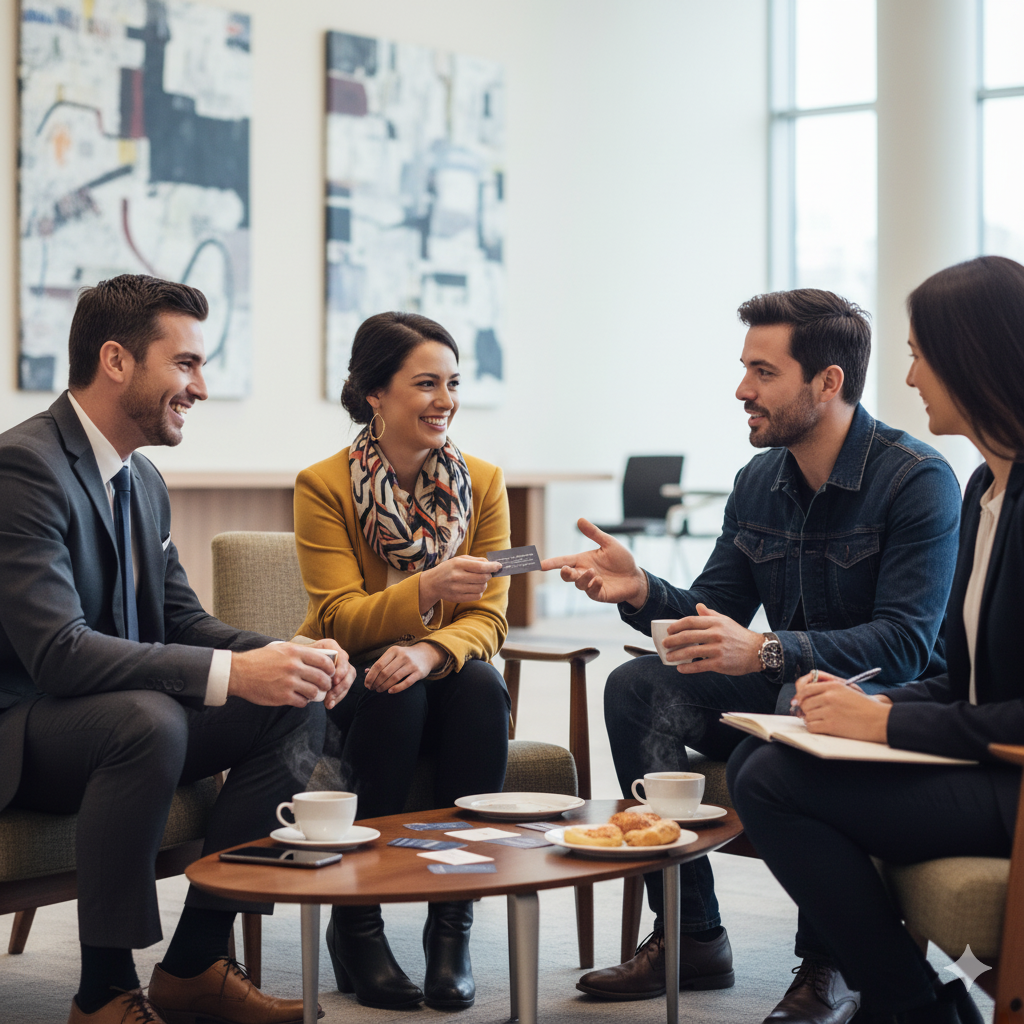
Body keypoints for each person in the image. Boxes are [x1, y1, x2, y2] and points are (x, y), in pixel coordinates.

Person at [541, 288, 962, 1022]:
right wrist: (640, 591)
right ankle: (692, 935)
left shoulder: (917, 480)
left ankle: (831, 959)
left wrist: (767, 652)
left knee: (792, 696)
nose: (742, 390)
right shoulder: (757, 482)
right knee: (636, 687)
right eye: (745, 370)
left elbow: (906, 644)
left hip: (877, 710)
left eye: (763, 372)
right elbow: (713, 620)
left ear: (827, 383)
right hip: (778, 692)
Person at [0, 275, 356, 1024]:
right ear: (118, 361)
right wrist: (232, 673)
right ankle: (103, 992)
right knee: (148, 719)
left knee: (290, 702)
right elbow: (59, 654)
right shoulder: (23, 469)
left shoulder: (144, 479)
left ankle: (194, 963)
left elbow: (183, 620)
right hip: (29, 731)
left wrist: (288, 656)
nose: (200, 385)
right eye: (186, 363)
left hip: (116, 723)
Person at [729, 255, 1024, 1024]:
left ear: (976, 358)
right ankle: (909, 1003)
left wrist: (888, 719)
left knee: (769, 781)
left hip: (1017, 781)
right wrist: (861, 703)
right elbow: (963, 679)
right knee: (772, 755)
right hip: (985, 760)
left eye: (921, 355)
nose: (912, 378)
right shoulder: (986, 490)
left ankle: (906, 1005)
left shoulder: (934, 481)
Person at [293, 311, 512, 1012]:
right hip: (347, 678)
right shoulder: (323, 485)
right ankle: (357, 921)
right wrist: (424, 591)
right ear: (374, 394)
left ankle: (452, 928)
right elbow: (337, 618)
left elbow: (492, 617)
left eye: (452, 382)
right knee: (396, 689)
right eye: (425, 383)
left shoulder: (484, 481)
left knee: (478, 684)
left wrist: (427, 648)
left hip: (436, 671)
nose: (445, 399)